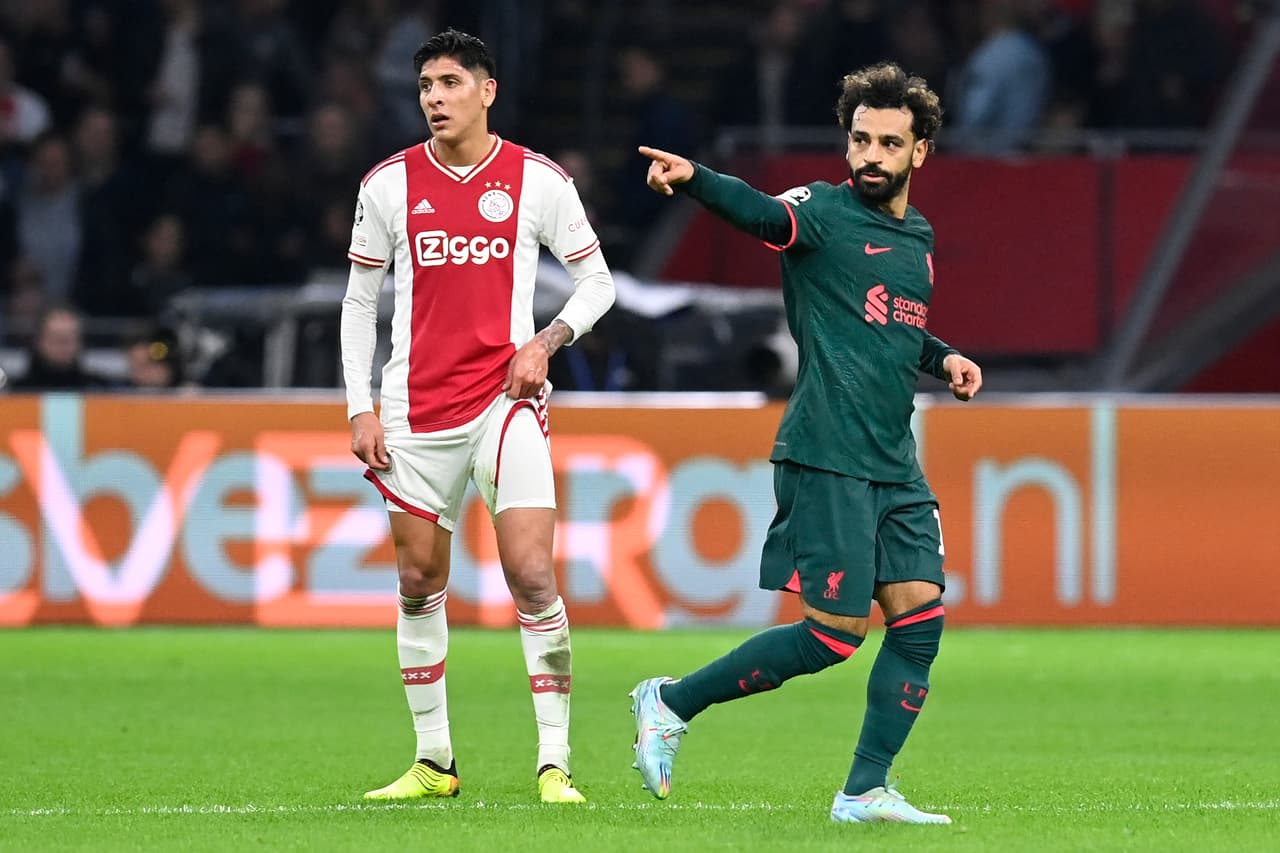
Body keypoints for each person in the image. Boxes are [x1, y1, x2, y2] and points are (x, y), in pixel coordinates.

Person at [629, 62, 983, 825]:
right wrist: (695, 178)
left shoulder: (916, 237)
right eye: (860, 139)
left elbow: (894, 323)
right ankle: (670, 701)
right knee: (833, 637)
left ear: (920, 152)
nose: (871, 155)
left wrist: (943, 354)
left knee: (920, 621)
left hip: (894, 458)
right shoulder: (819, 212)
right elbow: (761, 214)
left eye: (890, 142)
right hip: (828, 451)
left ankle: (863, 791)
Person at [340, 29, 615, 806]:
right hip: (414, 413)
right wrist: (360, 405)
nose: (434, 96)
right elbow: (360, 304)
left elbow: (598, 284)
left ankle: (554, 762)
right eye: (426, 83)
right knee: (419, 578)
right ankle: (435, 761)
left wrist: (548, 339)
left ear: (487, 91)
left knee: (531, 573)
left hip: (506, 404)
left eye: (451, 82)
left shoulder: (538, 181)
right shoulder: (388, 185)